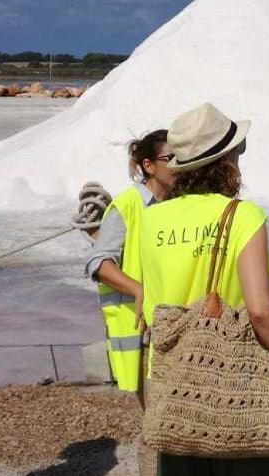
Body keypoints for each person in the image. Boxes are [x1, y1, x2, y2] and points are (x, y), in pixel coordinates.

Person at [135, 102, 269, 476]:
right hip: (244, 391)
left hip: (178, 395)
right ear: (226, 161)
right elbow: (261, 310)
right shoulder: (243, 215)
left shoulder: (150, 221)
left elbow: (153, 308)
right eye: (238, 151)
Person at [84, 128, 174, 394]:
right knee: (158, 415)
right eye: (171, 158)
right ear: (149, 166)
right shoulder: (128, 205)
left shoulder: (178, 203)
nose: (179, 165)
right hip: (140, 331)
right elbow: (99, 263)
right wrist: (138, 290)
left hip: (172, 323)